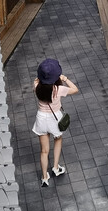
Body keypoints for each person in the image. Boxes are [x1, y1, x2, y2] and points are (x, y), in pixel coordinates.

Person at [32, 58, 78, 187]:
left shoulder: (36, 86)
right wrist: (65, 79)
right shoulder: (59, 89)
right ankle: (56, 168)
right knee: (58, 140)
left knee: (44, 150)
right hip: (54, 118)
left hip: (41, 118)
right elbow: (75, 89)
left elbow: (37, 80)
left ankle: (44, 177)